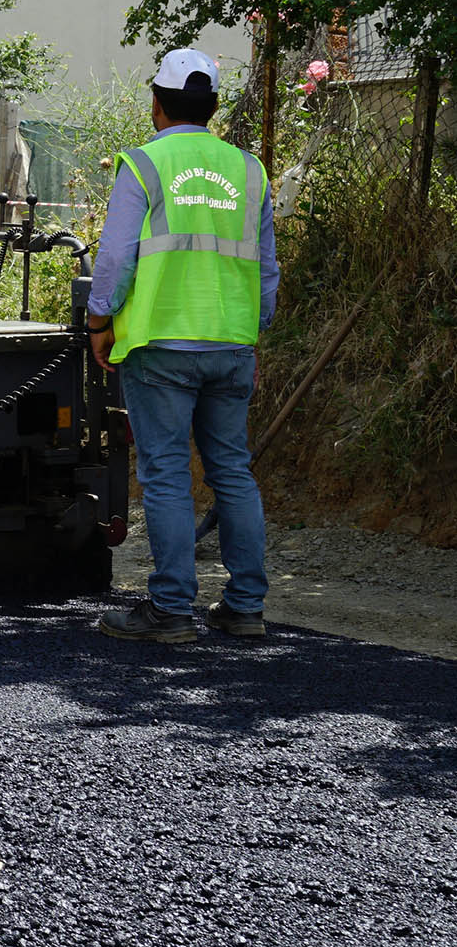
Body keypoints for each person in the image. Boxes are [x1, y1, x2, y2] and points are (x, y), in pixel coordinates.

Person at [89, 48, 279, 644]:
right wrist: (252, 329)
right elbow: (267, 270)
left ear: (157, 103)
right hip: (231, 342)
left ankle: (171, 610)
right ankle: (245, 607)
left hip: (161, 345)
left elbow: (117, 256)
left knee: (168, 474)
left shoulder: (145, 165)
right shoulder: (250, 171)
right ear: (215, 105)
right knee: (232, 470)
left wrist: (100, 321)